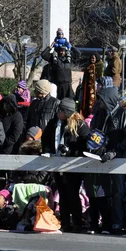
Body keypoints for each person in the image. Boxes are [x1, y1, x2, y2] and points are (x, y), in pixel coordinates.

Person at [89, 87, 126, 234]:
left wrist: (115, 152)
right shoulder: (99, 114)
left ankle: (117, 222)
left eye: (101, 99)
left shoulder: (123, 114)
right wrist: (94, 147)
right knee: (101, 191)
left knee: (117, 191)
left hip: (119, 158)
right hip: (101, 157)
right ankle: (105, 222)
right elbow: (94, 134)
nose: (99, 102)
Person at [41, 98, 89, 233]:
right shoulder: (53, 123)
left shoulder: (80, 125)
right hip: (57, 163)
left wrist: (71, 151)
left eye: (60, 111)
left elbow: (85, 144)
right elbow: (45, 139)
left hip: (73, 165)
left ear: (66, 112)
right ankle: (65, 222)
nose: (58, 113)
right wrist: (47, 151)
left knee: (73, 194)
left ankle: (77, 223)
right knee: (62, 193)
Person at [81, 53, 104, 118]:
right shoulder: (88, 66)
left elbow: (101, 76)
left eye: (94, 58)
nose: (92, 59)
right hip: (88, 87)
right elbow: (85, 77)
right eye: (91, 58)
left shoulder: (100, 66)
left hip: (96, 86)